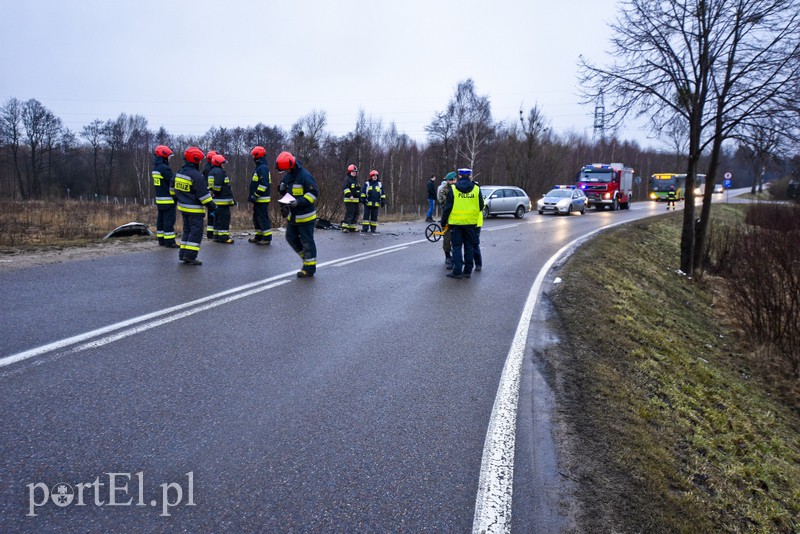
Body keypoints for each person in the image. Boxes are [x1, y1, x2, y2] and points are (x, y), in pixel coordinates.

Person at [276, 151, 318, 277]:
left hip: (306, 217)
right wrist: (281, 188)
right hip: (293, 216)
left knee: (307, 241)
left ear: (291, 166)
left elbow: (313, 194)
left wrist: (298, 202)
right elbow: (286, 191)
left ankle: (309, 268)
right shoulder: (289, 175)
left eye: (286, 170)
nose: (285, 172)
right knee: (290, 237)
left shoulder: (305, 176)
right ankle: (307, 259)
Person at [175, 146, 217, 265]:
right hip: (194, 210)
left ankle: (183, 254)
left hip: (183, 207)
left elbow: (174, 188)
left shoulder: (180, 172)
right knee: (196, 233)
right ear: (195, 160)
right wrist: (213, 206)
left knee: (187, 231)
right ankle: (190, 256)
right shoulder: (196, 175)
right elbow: (203, 196)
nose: (200, 162)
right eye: (199, 160)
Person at [442, 168, 484, 279]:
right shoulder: (476, 189)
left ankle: (457, 271)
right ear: (469, 175)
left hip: (456, 224)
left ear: (459, 176)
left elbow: (448, 207)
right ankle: (468, 271)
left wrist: (443, 221)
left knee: (456, 247)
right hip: (471, 223)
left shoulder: (454, 188)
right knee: (469, 247)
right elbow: (481, 206)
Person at [152, 145, 177, 248]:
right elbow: (172, 182)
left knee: (161, 220)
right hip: (168, 200)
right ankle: (170, 241)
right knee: (169, 221)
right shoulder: (165, 168)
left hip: (159, 199)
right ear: (164, 156)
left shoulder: (156, 168)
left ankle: (161, 240)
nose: (170, 158)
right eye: (169, 156)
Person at [248, 146, 273, 245]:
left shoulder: (262, 168)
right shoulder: (259, 167)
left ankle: (267, 238)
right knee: (257, 218)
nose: (253, 158)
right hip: (258, 199)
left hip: (261, 198)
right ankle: (259, 236)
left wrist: (256, 195)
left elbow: (264, 184)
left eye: (254, 156)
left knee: (262, 218)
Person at [459, 168, 483, 271]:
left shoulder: (475, 189)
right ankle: (474, 264)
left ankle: (477, 263)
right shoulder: (475, 190)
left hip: (474, 222)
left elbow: (481, 205)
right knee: (471, 244)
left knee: (473, 244)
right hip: (472, 221)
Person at [209, 154, 235, 243]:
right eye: (223, 163)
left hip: (217, 201)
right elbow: (217, 187)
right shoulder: (219, 172)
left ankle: (216, 236)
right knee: (224, 219)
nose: (224, 165)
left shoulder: (212, 171)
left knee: (217, 219)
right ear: (218, 163)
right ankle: (224, 237)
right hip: (223, 201)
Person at [437, 172, 457, 269]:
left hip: (457, 216)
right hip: (447, 215)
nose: (452, 182)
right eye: (450, 180)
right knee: (447, 237)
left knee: (457, 238)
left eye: (453, 180)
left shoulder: (458, 188)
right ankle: (448, 257)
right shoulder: (443, 190)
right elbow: (442, 201)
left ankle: (456, 256)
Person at [202, 150, 218, 239]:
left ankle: (210, 232)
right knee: (213, 212)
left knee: (210, 213)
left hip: (208, 193)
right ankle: (212, 233)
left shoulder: (206, 168)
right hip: (212, 193)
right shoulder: (211, 169)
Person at [341, 164, 361, 232]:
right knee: (350, 213)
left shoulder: (356, 180)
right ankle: (345, 226)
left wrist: (359, 195)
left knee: (356, 213)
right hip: (349, 200)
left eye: (355, 172)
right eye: (353, 172)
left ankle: (352, 226)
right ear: (349, 172)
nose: (354, 173)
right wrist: (350, 195)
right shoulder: (347, 179)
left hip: (355, 200)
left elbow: (358, 189)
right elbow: (345, 188)